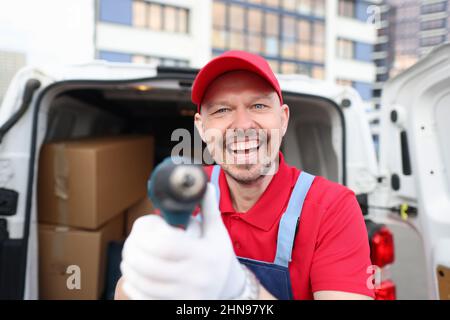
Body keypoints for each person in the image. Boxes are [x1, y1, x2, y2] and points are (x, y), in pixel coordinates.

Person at [115, 51, 375, 300]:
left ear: (283, 119)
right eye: (221, 110)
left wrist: (242, 292)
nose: (242, 125)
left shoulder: (333, 207)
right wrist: (138, 280)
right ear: (201, 128)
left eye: (258, 105)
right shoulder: (188, 189)